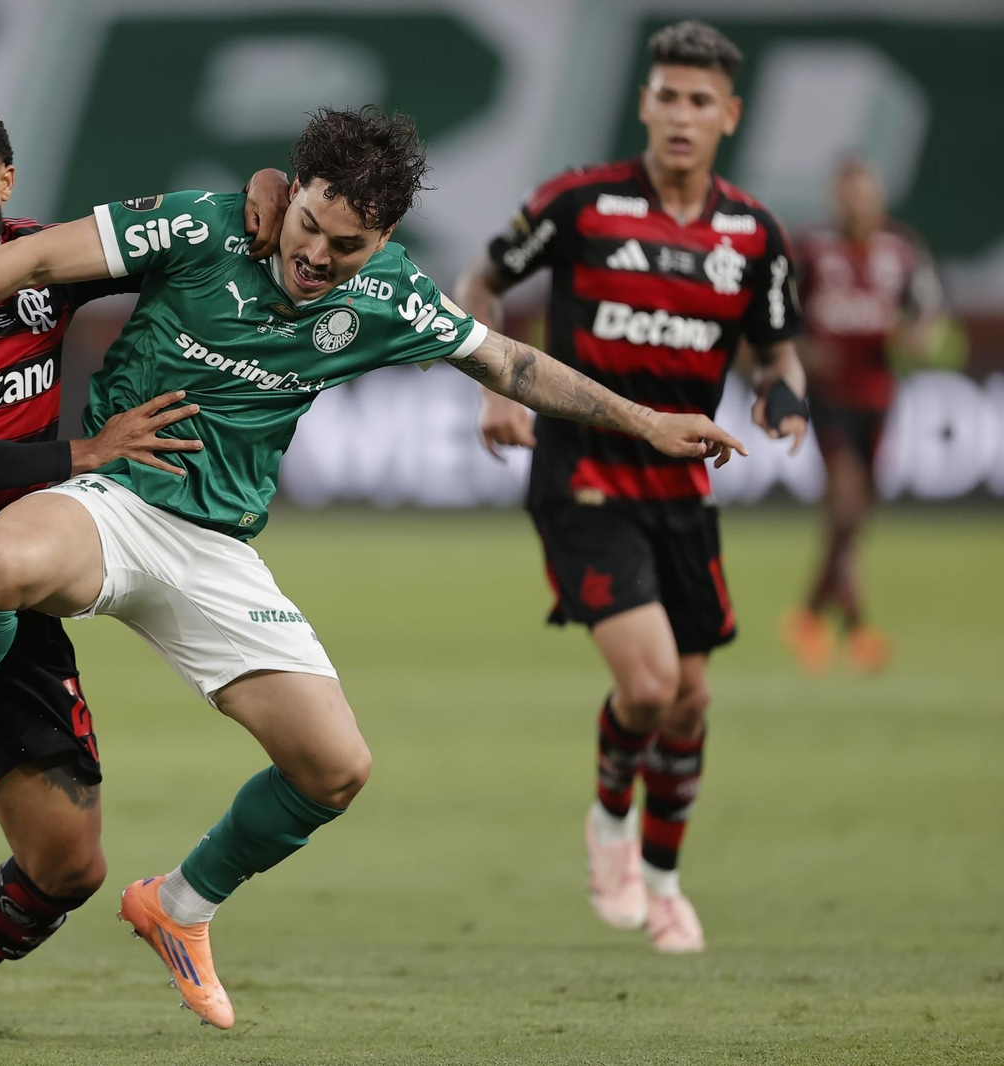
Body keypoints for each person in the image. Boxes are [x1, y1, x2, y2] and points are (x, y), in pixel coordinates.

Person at [0, 104, 746, 1028]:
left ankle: (180, 905)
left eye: (347, 246)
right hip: (120, 497)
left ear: (384, 237)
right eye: (308, 225)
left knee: (335, 768)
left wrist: (646, 423)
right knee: (3, 557)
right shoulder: (204, 225)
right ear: (291, 191)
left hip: (217, 547)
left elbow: (510, 363)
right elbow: (33, 259)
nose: (316, 257)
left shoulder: (391, 295)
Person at [0, 99, 293, 1018]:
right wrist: (89, 453)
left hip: (12, 580)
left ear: (5, 179)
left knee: (69, 866)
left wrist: (262, 189)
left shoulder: (42, 260)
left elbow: (185, 238)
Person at [454, 21, 808, 953]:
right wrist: (495, 390)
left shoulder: (753, 235)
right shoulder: (580, 203)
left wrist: (785, 396)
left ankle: (663, 883)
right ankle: (610, 820)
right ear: (645, 103)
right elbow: (479, 284)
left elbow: (777, 351)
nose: (682, 115)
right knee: (649, 686)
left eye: (701, 101)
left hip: (683, 491)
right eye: (668, 96)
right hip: (582, 474)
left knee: (691, 701)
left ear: (730, 115)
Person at [781, 157, 943, 673]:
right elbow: (777, 314)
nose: (857, 205)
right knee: (846, 502)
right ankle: (838, 623)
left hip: (879, 396)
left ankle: (825, 616)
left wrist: (919, 336)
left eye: (865, 195)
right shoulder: (812, 249)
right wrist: (803, 350)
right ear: (836, 199)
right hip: (830, 397)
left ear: (879, 198)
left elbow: (930, 312)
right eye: (849, 195)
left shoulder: (902, 249)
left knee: (854, 516)